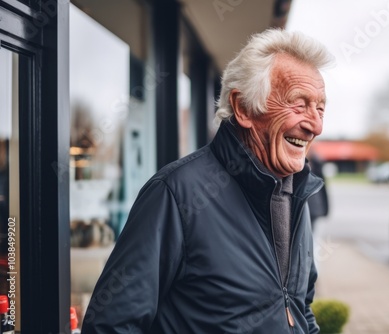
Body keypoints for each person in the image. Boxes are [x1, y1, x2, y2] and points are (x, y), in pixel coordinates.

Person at [82, 28, 332, 334]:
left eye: (320, 107)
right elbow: (111, 325)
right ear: (243, 108)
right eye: (298, 103)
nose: (315, 125)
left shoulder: (297, 193)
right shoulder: (175, 194)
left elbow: (298, 306)